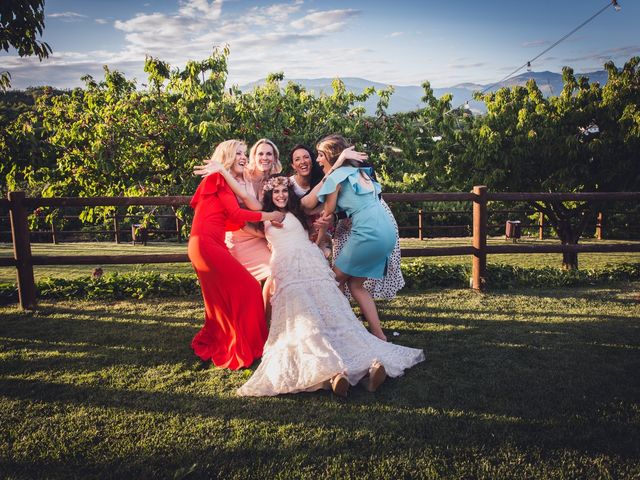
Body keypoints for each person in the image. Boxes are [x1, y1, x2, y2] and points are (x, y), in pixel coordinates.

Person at [237, 175, 424, 397]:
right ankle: (337, 375)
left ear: (289, 194)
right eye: (276, 192)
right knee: (307, 323)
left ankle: (367, 366)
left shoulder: (299, 215)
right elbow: (241, 206)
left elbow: (315, 242)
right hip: (288, 273)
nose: (280, 195)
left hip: (313, 267)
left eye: (284, 191)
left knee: (336, 317)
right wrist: (221, 171)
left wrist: (323, 230)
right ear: (269, 195)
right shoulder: (266, 217)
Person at [189, 140, 285, 370]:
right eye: (238, 153)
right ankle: (251, 344)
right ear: (228, 158)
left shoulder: (224, 182)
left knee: (220, 299)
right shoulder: (216, 179)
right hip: (206, 245)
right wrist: (270, 215)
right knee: (250, 288)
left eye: (244, 153)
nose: (243, 157)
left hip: (211, 244)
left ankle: (226, 339)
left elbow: (231, 220)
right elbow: (235, 213)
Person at [301, 135, 396, 341]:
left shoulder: (335, 178)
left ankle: (344, 331)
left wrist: (319, 229)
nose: (317, 160)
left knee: (332, 281)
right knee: (355, 285)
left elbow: (326, 213)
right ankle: (379, 336)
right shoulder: (362, 172)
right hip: (387, 232)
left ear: (330, 156)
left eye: (320, 155)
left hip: (368, 233)